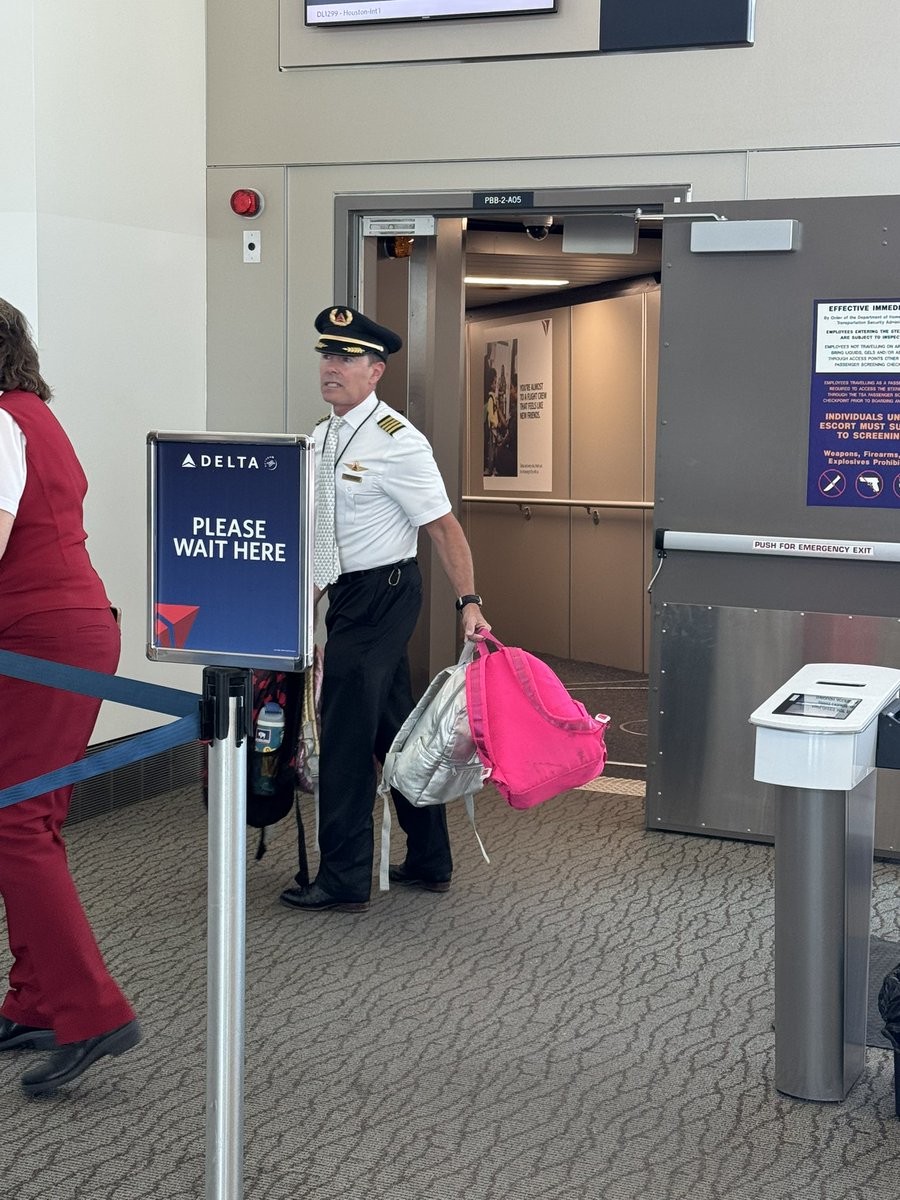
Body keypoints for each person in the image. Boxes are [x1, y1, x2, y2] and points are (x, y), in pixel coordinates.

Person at [280, 305, 490, 913]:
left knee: (346, 734)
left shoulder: (398, 441)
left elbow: (444, 528)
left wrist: (469, 601)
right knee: (394, 725)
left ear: (376, 371)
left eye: (346, 358)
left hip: (384, 593)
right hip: (346, 594)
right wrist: (305, 601)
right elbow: (325, 531)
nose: (331, 368)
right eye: (327, 355)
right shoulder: (322, 435)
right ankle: (429, 858)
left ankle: (343, 879)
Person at [0, 298, 140, 1096]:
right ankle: (34, 1000)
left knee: (15, 821)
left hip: (41, 638)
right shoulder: (33, 416)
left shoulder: (0, 422)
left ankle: (92, 1010)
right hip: (64, 629)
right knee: (27, 819)